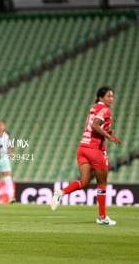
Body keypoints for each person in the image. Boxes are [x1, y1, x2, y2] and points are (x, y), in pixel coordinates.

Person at [51, 86, 121, 225]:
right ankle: (102, 217)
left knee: (84, 182)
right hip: (95, 149)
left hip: (82, 147)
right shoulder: (104, 109)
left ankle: (62, 192)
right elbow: (95, 126)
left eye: (112, 96)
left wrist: (107, 132)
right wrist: (109, 137)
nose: (111, 99)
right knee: (101, 183)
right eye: (108, 96)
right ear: (101, 97)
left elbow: (94, 126)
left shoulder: (93, 108)